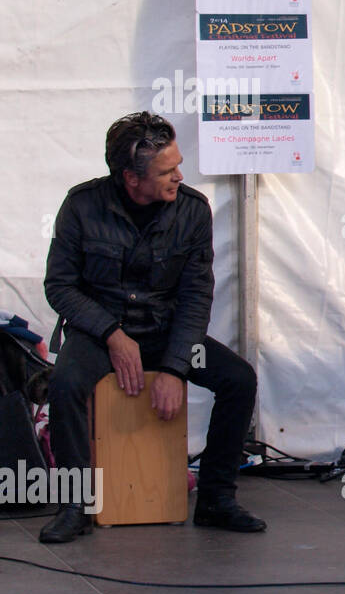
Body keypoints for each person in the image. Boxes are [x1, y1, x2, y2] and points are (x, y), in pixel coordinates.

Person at [40, 113, 263, 543]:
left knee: (239, 379)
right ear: (130, 178)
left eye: (178, 164)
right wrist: (111, 334)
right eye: (167, 170)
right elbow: (60, 287)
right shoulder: (81, 206)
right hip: (99, 333)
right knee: (65, 384)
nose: (180, 175)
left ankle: (216, 498)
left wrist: (176, 367)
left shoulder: (193, 210)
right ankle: (76, 505)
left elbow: (197, 296)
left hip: (165, 333)